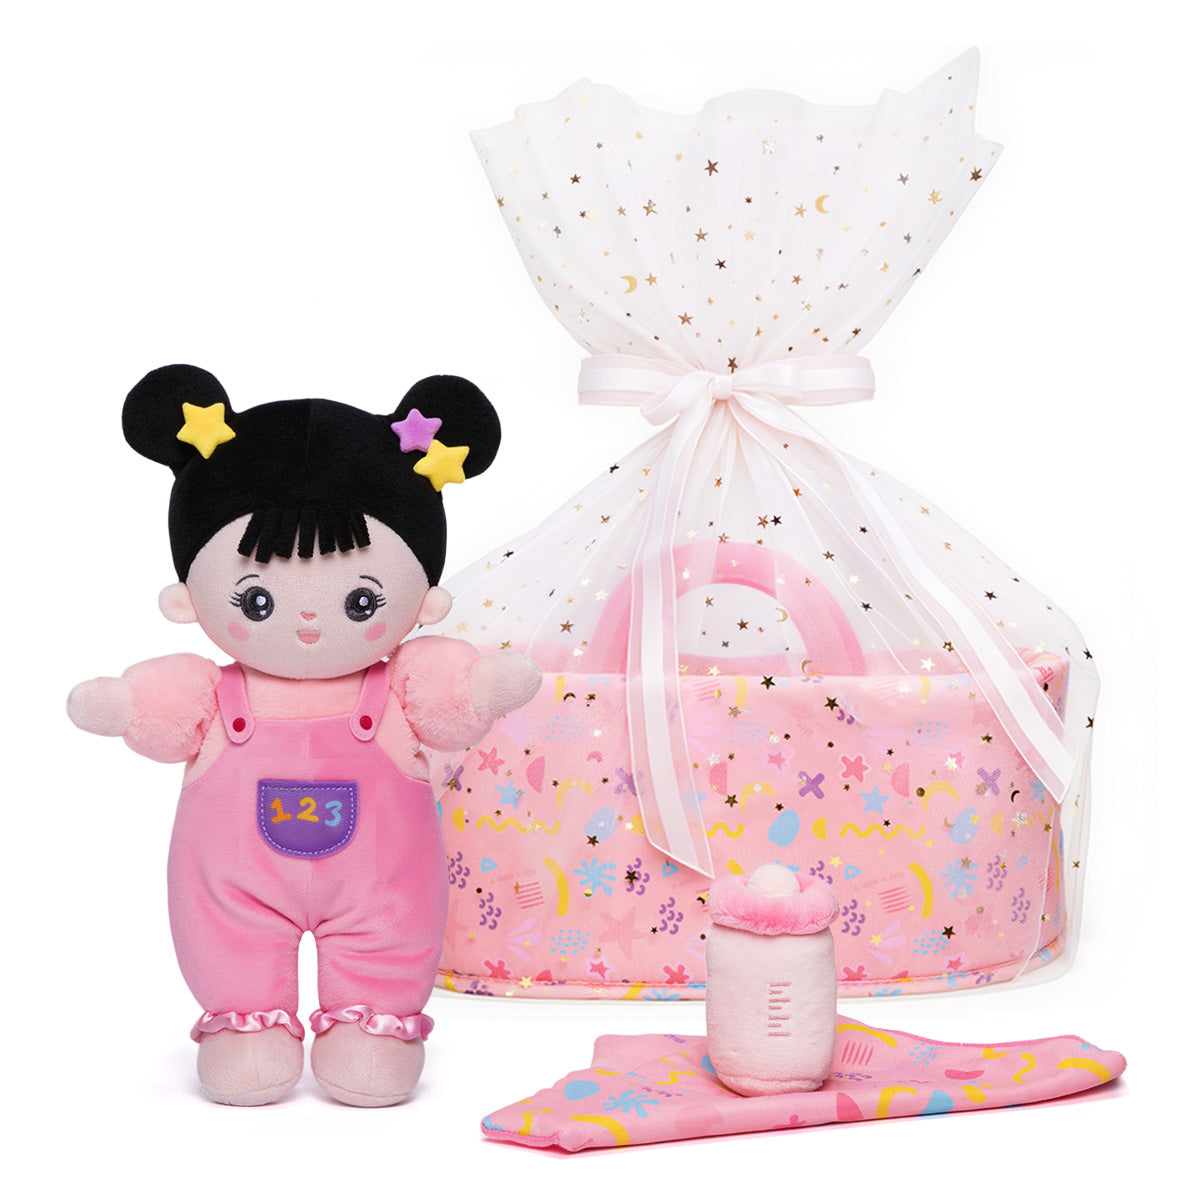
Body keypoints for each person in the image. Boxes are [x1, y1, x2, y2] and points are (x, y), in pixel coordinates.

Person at [68, 365, 540, 1107]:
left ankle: (374, 1026)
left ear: (424, 597)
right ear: (190, 595)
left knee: (392, 931)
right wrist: (125, 705)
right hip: (234, 885)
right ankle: (245, 1025)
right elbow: (157, 707)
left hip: (383, 883)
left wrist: (482, 689)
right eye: (256, 599)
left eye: (360, 600)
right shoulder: (212, 692)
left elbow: (454, 696)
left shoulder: (403, 684)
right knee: (227, 938)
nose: (312, 620)